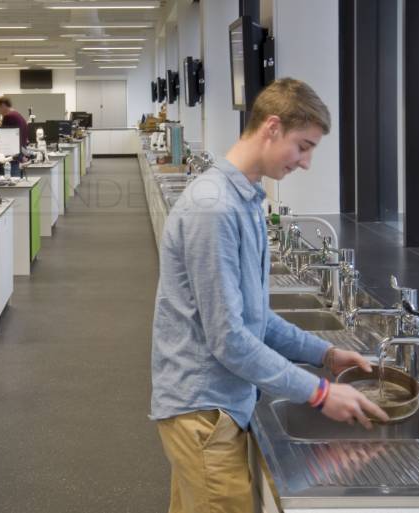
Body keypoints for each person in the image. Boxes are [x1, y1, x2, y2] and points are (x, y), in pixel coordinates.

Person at [150, 78, 388, 513]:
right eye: (303, 145)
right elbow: (230, 340)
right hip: (205, 412)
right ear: (272, 127)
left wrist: (327, 355)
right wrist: (319, 393)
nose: (307, 162)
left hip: (220, 407)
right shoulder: (214, 208)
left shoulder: (245, 202)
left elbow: (256, 319)